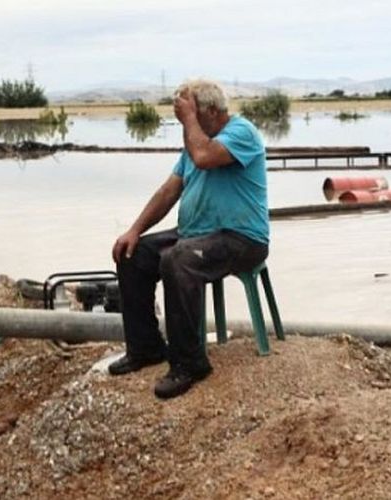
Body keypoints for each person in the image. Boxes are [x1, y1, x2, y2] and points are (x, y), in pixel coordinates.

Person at [109, 79, 270, 399]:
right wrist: (134, 230)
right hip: (196, 233)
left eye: (188, 112)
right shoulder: (195, 142)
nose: (182, 120)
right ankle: (146, 348)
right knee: (134, 254)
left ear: (210, 111)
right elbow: (169, 190)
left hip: (241, 237)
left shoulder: (242, 133)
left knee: (179, 259)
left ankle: (189, 363)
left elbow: (205, 157)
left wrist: (189, 122)